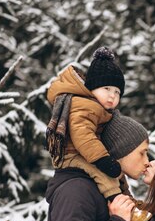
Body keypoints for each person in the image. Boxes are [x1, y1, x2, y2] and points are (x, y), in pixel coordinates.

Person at [46, 46, 135, 199]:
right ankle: (116, 201)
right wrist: (103, 160)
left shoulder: (97, 108)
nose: (112, 96)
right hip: (72, 156)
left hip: (85, 154)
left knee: (119, 175)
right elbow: (82, 134)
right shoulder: (85, 105)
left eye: (117, 92)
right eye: (106, 88)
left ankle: (130, 201)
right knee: (106, 178)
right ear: (92, 88)